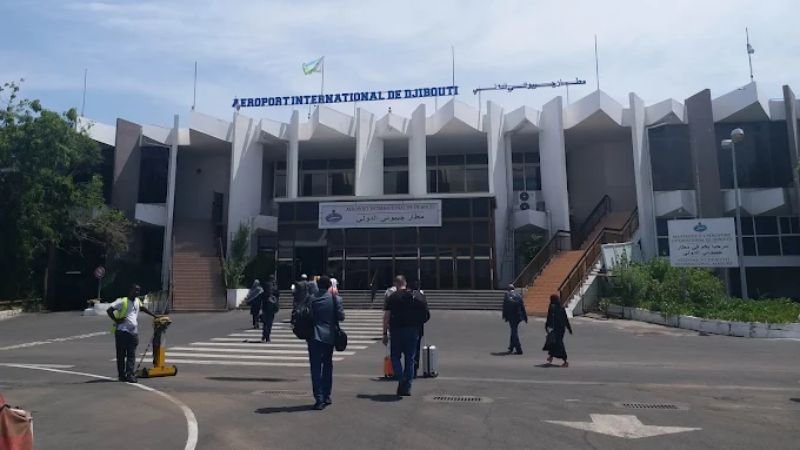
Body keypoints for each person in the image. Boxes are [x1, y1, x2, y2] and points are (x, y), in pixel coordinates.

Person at [383, 275, 429, 397]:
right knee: (410, 359)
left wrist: (384, 333)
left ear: (396, 284)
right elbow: (426, 315)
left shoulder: (393, 297)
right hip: (413, 330)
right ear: (405, 283)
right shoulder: (416, 296)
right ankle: (407, 386)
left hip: (396, 330)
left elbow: (386, 317)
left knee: (395, 356)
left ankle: (401, 377)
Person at [307, 276, 345, 410]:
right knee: (328, 366)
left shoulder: (311, 299)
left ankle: (319, 398)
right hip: (329, 336)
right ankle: (327, 395)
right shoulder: (335, 299)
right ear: (329, 285)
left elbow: (307, 315)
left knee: (315, 368)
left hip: (314, 336)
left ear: (317, 285)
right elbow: (341, 317)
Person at [106, 284, 157, 383]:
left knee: (131, 354)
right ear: (130, 290)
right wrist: (117, 320)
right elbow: (109, 310)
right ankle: (121, 375)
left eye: (138, 291)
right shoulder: (123, 301)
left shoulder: (137, 301)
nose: (137, 292)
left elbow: (142, 308)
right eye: (135, 290)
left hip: (133, 333)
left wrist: (154, 316)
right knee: (121, 355)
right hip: (122, 332)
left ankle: (129, 374)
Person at [543, 294, 573, 367]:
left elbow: (549, 317)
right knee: (554, 342)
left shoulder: (553, 307)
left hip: (558, 329)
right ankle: (551, 356)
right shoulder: (559, 307)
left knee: (559, 344)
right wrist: (569, 329)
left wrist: (546, 326)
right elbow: (565, 319)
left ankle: (565, 361)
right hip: (560, 329)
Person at [410, 281, 430, 377]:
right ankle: (414, 369)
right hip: (418, 327)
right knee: (416, 348)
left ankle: (408, 369)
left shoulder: (406, 296)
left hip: (406, 326)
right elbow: (427, 314)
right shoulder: (421, 297)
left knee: (407, 349)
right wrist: (421, 321)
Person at [502, 284, 527, 355]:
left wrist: (504, 316)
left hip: (511, 316)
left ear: (508, 289)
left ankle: (519, 349)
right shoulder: (518, 295)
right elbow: (522, 307)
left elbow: (505, 306)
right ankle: (511, 346)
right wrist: (525, 317)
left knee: (514, 332)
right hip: (518, 316)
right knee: (513, 330)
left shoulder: (507, 295)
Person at [261, 275, 280, 342]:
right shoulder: (275, 286)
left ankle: (264, 335)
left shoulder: (265, 285)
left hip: (266, 306)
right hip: (272, 307)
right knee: (270, 322)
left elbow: (262, 296)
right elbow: (278, 295)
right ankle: (268, 336)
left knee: (265, 322)